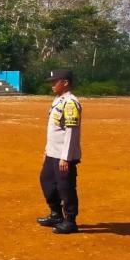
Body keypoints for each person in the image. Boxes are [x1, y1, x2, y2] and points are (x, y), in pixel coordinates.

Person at [36, 69, 83, 235]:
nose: (52, 84)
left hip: (63, 155)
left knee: (65, 186)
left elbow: (71, 132)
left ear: (65, 83)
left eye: (55, 81)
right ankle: (56, 214)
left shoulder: (71, 103)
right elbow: (54, 130)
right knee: (47, 181)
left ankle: (70, 221)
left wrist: (65, 157)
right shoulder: (58, 100)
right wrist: (47, 150)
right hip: (52, 152)